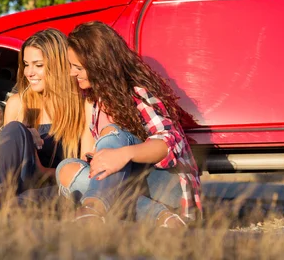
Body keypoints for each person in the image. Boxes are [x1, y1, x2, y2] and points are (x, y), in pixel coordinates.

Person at [56, 21, 202, 227]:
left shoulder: (137, 93)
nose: (72, 73)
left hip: (168, 189)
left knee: (114, 133)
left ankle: (92, 209)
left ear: (98, 64)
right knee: (67, 168)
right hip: (135, 191)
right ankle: (162, 218)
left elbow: (169, 143)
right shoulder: (95, 101)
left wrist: (123, 154)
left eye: (78, 67)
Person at [0, 28, 86, 201]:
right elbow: (5, 168)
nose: (29, 72)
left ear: (59, 66)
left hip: (56, 193)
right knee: (15, 129)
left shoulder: (81, 106)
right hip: (16, 186)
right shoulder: (18, 104)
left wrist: (39, 167)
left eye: (38, 65)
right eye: (26, 64)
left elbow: (83, 176)